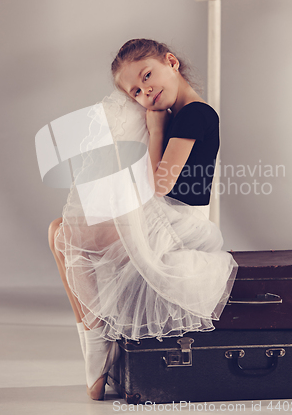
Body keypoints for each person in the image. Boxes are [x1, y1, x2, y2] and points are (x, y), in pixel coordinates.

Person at [48, 39, 238, 401]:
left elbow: (160, 183)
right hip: (161, 215)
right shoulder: (173, 115)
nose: (145, 90)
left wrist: (154, 130)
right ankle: (95, 331)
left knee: (64, 234)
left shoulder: (196, 114)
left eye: (148, 75)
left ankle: (98, 340)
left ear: (171, 62)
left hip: (179, 223)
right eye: (136, 90)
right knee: (59, 231)